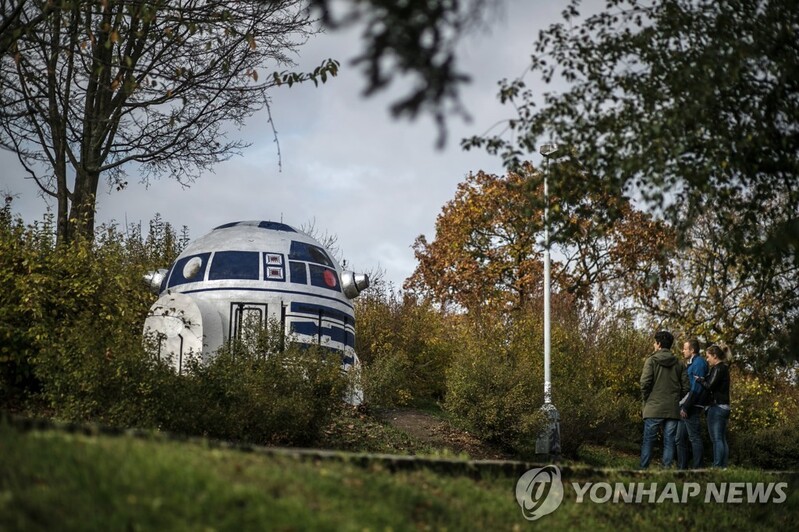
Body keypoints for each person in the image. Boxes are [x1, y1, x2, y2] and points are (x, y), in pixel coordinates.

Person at [640, 331, 690, 469]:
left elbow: (645, 383)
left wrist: (647, 398)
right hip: (672, 408)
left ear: (659, 344)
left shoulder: (651, 361)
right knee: (669, 441)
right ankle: (666, 470)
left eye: (655, 342)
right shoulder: (679, 363)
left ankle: (643, 469)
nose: (653, 345)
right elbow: (686, 387)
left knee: (648, 440)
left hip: (653, 407)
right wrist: (676, 398)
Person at [696, 344, 731, 468]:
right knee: (722, 438)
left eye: (708, 356)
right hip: (725, 407)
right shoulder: (725, 368)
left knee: (716, 439)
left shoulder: (718, 368)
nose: (707, 359)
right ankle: (724, 466)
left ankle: (717, 466)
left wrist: (699, 380)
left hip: (717, 407)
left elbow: (710, 386)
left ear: (715, 356)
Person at [677, 338, 709, 469]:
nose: (683, 351)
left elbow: (696, 388)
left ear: (692, 350)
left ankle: (698, 468)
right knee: (679, 439)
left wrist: (686, 406)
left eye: (685, 348)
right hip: (685, 405)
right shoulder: (691, 363)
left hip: (692, 406)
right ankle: (682, 468)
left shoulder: (699, 363)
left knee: (694, 438)